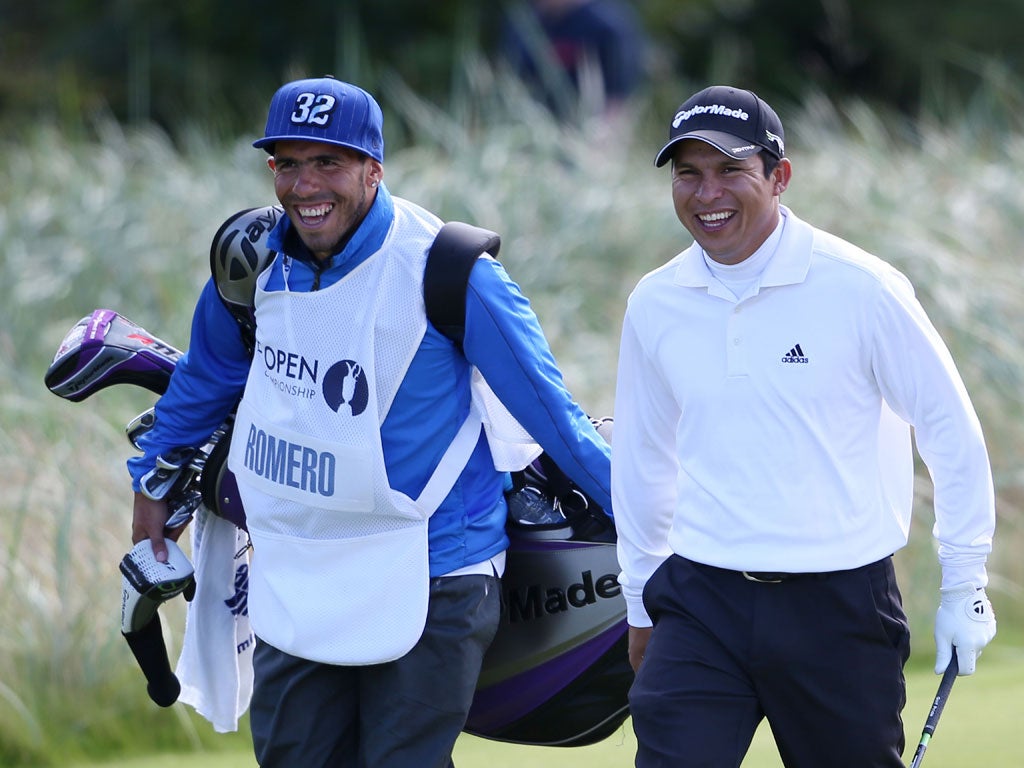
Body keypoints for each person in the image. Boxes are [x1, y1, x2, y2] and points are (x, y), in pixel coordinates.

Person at [128, 75, 612, 767]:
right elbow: (204, 382)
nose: (304, 186)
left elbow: (556, 418)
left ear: (373, 169)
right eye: (287, 165)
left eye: (328, 162)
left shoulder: (450, 271)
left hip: (434, 564)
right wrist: (150, 486)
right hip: (299, 562)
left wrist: (653, 527)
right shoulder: (252, 264)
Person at [611, 84, 997, 767]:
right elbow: (643, 462)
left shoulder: (862, 288)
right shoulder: (656, 302)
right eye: (689, 174)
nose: (707, 195)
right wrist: (642, 599)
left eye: (731, 170)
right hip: (701, 598)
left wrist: (965, 582)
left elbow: (950, 432)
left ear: (778, 176)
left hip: (838, 605)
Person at [499, 0, 646, 122]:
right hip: (529, 135)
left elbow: (619, 101)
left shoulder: (609, 25)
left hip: (588, 138)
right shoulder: (522, 24)